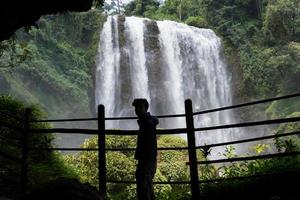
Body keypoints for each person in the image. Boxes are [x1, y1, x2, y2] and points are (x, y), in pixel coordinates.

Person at [132, 98, 159, 200]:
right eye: (136, 108)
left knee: (143, 188)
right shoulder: (147, 121)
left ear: (145, 108)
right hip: (148, 159)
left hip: (146, 159)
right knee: (147, 187)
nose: (137, 110)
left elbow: (149, 143)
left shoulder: (147, 123)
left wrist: (144, 158)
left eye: (140, 107)